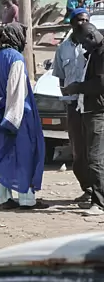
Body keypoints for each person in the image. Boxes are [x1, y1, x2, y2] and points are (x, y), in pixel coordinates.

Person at [0, 23, 47, 210]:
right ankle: (26, 199)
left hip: (1, 114)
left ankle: (4, 198)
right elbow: (17, 92)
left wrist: (0, 105)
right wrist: (12, 120)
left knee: (5, 154)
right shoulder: (16, 59)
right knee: (24, 155)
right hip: (19, 116)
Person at [62, 22, 104, 216]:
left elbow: (100, 84)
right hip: (89, 110)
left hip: (98, 112)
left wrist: (78, 87)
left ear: (90, 36)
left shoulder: (102, 54)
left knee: (95, 159)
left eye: (84, 44)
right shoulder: (94, 53)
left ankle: (99, 203)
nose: (83, 48)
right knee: (89, 157)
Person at [52, 8, 91, 203]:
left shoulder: (95, 46)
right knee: (78, 153)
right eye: (79, 20)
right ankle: (88, 189)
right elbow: (60, 77)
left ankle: (98, 193)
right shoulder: (63, 49)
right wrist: (67, 96)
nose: (82, 24)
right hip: (73, 106)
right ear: (72, 24)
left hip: (94, 107)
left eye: (85, 20)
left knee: (96, 151)